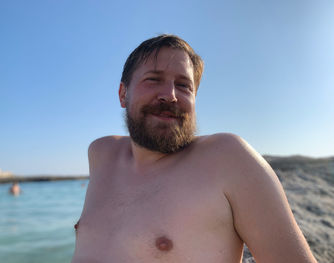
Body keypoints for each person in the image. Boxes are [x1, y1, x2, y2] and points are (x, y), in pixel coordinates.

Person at [71, 34, 317, 263]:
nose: (170, 95)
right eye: (153, 80)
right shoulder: (101, 153)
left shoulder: (228, 158)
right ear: (123, 94)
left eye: (183, 86)